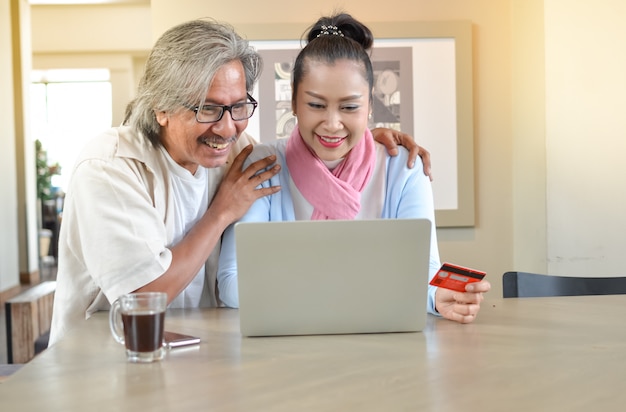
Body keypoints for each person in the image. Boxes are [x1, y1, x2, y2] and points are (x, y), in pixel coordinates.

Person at [49, 18, 431, 345]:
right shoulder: (111, 166)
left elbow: (320, 135)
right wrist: (221, 213)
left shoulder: (236, 152)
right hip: (103, 360)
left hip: (194, 360)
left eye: (238, 107)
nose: (228, 126)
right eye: (208, 108)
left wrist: (368, 137)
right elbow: (143, 297)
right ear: (161, 107)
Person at [217, 13, 490, 324]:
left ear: (370, 106)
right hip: (287, 344)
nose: (332, 124)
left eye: (349, 107)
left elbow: (423, 271)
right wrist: (357, 290)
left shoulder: (403, 168)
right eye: (316, 105)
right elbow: (230, 282)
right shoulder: (264, 164)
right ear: (293, 102)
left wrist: (439, 297)